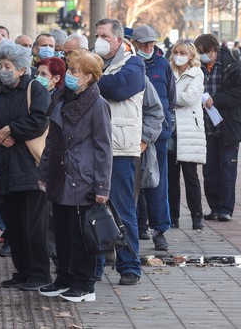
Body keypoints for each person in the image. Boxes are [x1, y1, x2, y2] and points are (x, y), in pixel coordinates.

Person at [38, 51, 112, 303]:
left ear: (89, 77)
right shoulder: (61, 99)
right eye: (69, 69)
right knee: (62, 232)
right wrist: (43, 172)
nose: (69, 75)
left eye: (74, 71)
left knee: (81, 234)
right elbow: (52, 141)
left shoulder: (97, 104)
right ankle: (64, 278)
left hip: (82, 178)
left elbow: (104, 148)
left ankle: (84, 284)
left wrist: (102, 187)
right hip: (60, 174)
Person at [0, 42, 51, 290]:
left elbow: (39, 120)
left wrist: (10, 130)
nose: (3, 70)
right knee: (13, 224)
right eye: (1, 65)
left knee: (33, 225)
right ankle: (23, 271)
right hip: (4, 165)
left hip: (29, 167)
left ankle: (39, 274)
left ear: (21, 69)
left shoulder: (35, 88)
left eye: (8, 66)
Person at [94, 18, 145, 285]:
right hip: (93, 148)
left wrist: (92, 79)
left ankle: (130, 266)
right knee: (92, 210)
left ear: (118, 39)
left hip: (120, 148)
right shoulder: (93, 61)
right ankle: (95, 266)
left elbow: (119, 88)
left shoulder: (133, 64)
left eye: (104, 36)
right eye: (97, 35)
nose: (99, 40)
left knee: (122, 209)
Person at [193, 34, 241, 222]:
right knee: (209, 170)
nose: (202, 56)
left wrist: (217, 100)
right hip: (206, 127)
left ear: (213, 50)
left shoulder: (231, 66)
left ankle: (226, 208)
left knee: (227, 168)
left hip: (228, 126)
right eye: (198, 53)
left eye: (203, 52)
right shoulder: (197, 68)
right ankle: (214, 207)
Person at [132, 25, 176, 251]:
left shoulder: (162, 64)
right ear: (135, 44)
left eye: (151, 43)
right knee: (133, 183)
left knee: (157, 182)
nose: (149, 47)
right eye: (144, 43)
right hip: (132, 132)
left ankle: (160, 230)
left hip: (158, 133)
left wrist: (165, 124)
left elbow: (170, 97)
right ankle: (138, 226)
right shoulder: (130, 64)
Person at [168, 39, 206, 230]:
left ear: (191, 56)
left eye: (182, 53)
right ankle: (172, 216)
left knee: (191, 177)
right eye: (176, 52)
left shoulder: (197, 73)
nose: (178, 56)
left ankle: (196, 215)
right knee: (171, 177)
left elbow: (189, 98)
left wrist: (169, 96)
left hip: (189, 129)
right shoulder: (169, 71)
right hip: (171, 129)